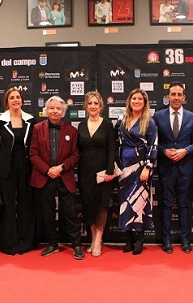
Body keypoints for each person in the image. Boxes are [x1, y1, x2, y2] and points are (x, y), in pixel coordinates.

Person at [29, 96, 84, 260]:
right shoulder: (37, 128)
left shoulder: (71, 131)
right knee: (47, 212)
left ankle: (76, 245)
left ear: (63, 111)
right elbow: (32, 154)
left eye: (58, 108)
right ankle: (52, 243)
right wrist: (48, 170)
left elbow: (75, 155)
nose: (54, 111)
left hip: (64, 176)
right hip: (44, 177)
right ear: (46, 110)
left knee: (71, 213)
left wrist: (60, 168)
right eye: (51, 108)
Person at [153, 83, 193, 254]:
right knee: (165, 204)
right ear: (167, 97)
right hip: (166, 167)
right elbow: (153, 143)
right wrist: (164, 151)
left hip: (185, 167)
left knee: (184, 204)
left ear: (184, 97)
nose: (176, 97)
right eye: (173, 94)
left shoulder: (192, 117)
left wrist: (185, 151)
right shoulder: (157, 117)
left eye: (180, 94)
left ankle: (185, 239)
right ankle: (166, 239)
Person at [0, 88, 35, 255]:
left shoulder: (31, 120)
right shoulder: (0, 121)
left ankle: (26, 242)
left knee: (25, 204)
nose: (15, 100)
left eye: (18, 97)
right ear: (6, 102)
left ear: (22, 100)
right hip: (5, 168)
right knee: (8, 205)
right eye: (12, 98)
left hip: (26, 168)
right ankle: (8, 243)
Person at [117, 89, 157, 255]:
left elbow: (153, 145)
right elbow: (115, 143)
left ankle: (139, 239)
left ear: (145, 102)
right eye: (134, 98)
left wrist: (147, 167)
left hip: (141, 167)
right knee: (124, 203)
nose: (137, 101)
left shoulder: (149, 121)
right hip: (123, 167)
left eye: (140, 99)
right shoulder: (121, 119)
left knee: (139, 202)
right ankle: (128, 239)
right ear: (129, 101)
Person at [77, 91, 116, 257]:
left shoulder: (107, 125)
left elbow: (112, 149)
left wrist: (109, 171)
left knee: (101, 205)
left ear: (101, 106)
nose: (93, 106)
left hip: (103, 170)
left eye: (96, 103)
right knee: (88, 205)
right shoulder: (80, 125)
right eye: (90, 103)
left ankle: (98, 240)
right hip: (85, 170)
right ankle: (92, 237)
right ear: (85, 107)